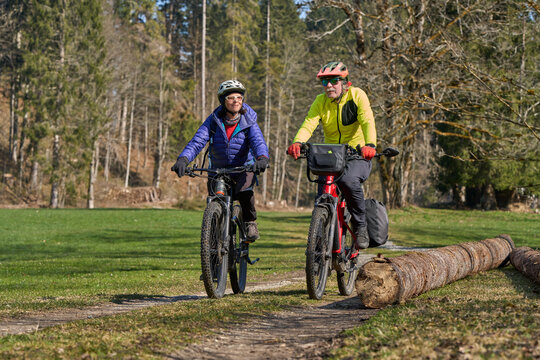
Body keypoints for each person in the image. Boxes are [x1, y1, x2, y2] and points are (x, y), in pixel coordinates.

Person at [287, 61, 377, 249]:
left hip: (357, 154)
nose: (329, 86)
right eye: (325, 82)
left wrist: (369, 145)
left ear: (345, 83)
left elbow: (367, 120)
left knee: (348, 180)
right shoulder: (321, 101)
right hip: (331, 156)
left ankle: (360, 226)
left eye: (334, 81)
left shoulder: (357, 96)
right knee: (323, 195)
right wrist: (298, 142)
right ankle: (320, 241)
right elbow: (309, 124)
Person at [171, 80, 269, 242]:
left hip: (243, 168)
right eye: (231, 97)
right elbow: (198, 141)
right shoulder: (214, 121)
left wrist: (262, 158)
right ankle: (214, 244)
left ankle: (250, 222)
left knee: (245, 193)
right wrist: (183, 159)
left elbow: (258, 141)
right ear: (223, 101)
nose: (236, 101)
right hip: (218, 169)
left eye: (239, 97)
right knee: (215, 201)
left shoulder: (248, 121)